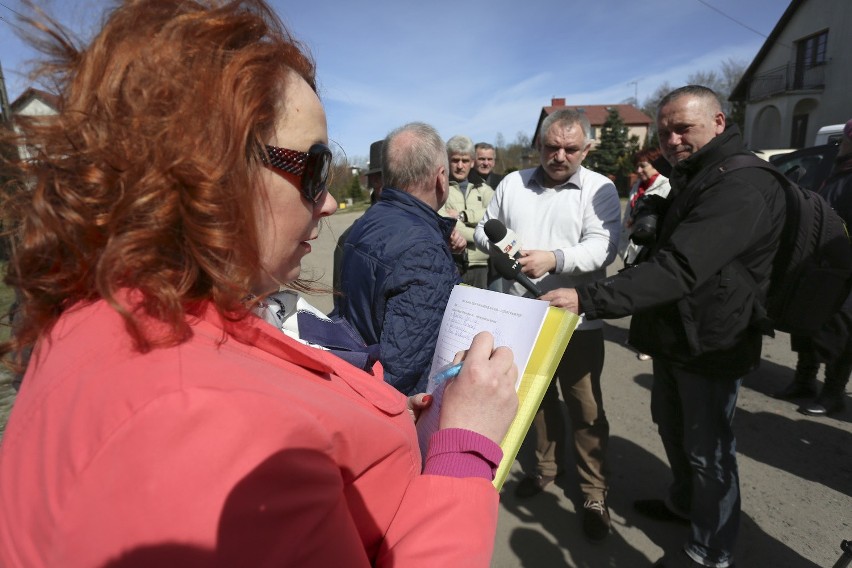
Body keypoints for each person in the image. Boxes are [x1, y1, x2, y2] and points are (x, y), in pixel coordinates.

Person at [0, 2, 520, 567]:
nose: (326, 203)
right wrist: (464, 449)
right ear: (209, 169)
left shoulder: (133, 305)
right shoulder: (196, 423)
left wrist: (384, 414)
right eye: (315, 169)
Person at [541, 85, 786, 568]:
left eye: (683, 128)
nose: (672, 140)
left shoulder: (741, 184)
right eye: (665, 130)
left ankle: (710, 550)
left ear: (718, 122)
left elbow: (679, 269)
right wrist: (654, 211)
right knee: (673, 428)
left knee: (709, 452)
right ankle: (683, 504)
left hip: (715, 339)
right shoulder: (695, 173)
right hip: (680, 333)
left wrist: (589, 298)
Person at [473, 109, 622, 541]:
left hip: (576, 323)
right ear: (538, 144)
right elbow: (486, 227)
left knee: (586, 409)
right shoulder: (512, 182)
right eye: (550, 146)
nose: (559, 156)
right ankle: (545, 469)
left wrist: (553, 258)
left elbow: (603, 247)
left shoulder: (600, 188)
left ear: (586, 148)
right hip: (525, 315)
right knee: (535, 401)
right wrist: (501, 245)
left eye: (570, 148)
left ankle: (594, 492)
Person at [333, 122, 463, 395]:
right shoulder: (423, 250)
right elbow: (403, 368)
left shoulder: (367, 221)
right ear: (441, 178)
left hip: (355, 378)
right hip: (393, 409)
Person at [775, 118, 852, 417]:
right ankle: (804, 379)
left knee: (841, 329)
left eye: (846, 138)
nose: (842, 142)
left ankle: (833, 392)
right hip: (818, 262)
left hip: (844, 266)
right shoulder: (835, 167)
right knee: (807, 317)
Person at [619, 147, 672, 361]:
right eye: (637, 166)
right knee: (637, 296)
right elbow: (628, 215)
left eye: (643, 165)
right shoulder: (637, 187)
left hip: (652, 249)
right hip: (635, 246)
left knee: (651, 298)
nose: (639, 170)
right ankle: (637, 336)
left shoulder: (666, 185)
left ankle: (649, 344)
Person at [438, 135, 494, 288]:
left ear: (472, 163)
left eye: (465, 161)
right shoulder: (439, 189)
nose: (460, 166)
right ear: (447, 161)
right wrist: (482, 232)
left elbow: (495, 218)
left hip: (480, 265)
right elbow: (450, 226)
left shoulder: (484, 189)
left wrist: (464, 215)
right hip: (451, 263)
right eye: (455, 160)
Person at [332, 139, 383, 293]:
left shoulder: (423, 226)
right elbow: (342, 302)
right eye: (389, 176)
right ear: (375, 180)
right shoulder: (351, 239)